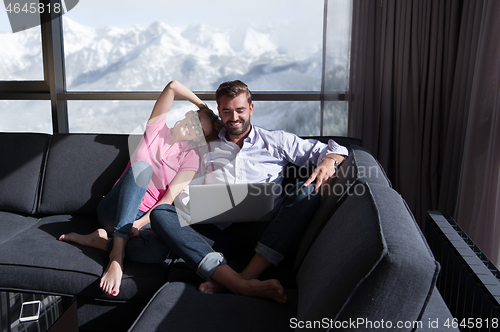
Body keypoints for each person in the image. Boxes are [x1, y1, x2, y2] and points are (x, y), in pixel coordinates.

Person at [148, 80, 348, 303]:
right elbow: (184, 190)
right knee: (161, 213)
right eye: (227, 111)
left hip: (264, 234)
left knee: (307, 193)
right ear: (219, 112)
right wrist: (191, 206)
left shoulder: (275, 140)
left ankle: (244, 277)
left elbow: (335, 149)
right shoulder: (204, 146)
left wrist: (330, 161)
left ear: (250, 109)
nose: (234, 117)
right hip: (214, 236)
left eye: (240, 110)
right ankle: (238, 283)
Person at [59, 80, 222, 297]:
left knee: (158, 250)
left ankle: (100, 242)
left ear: (199, 140)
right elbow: (172, 86)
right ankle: (116, 257)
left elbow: (165, 203)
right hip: (113, 210)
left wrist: (139, 222)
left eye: (200, 131)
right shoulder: (156, 130)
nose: (193, 127)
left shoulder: (190, 158)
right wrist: (204, 107)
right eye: (195, 120)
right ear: (188, 114)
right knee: (142, 168)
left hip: (142, 219)